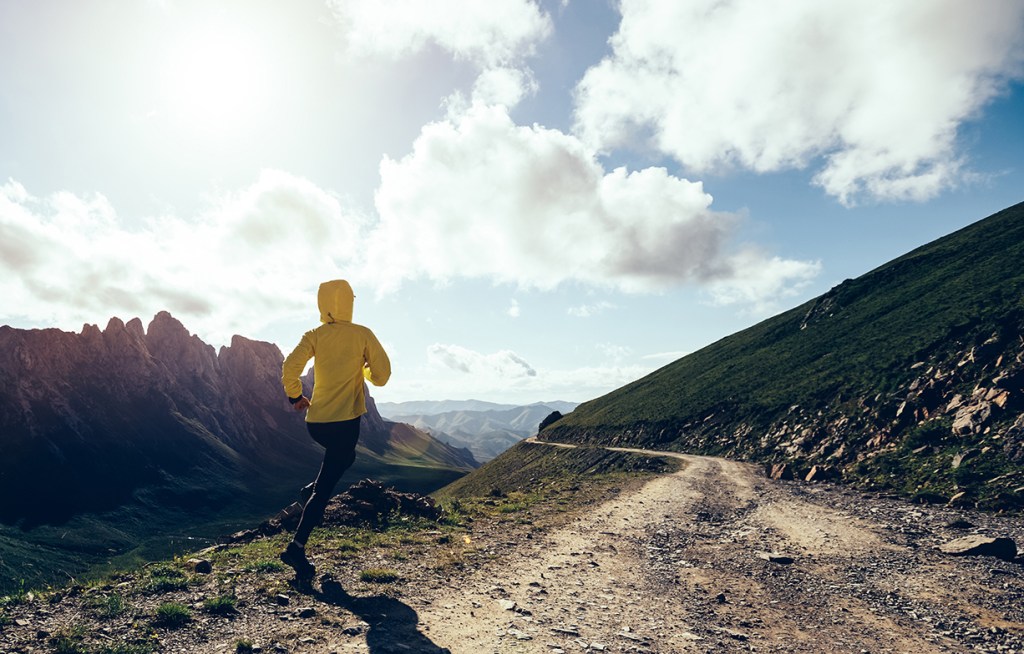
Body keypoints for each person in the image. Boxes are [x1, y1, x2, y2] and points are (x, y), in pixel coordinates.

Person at [279, 279, 391, 580]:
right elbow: (382, 376)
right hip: (346, 423)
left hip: (315, 423)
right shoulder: (362, 335)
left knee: (343, 459)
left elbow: (290, 368)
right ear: (350, 303)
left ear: (323, 303)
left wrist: (295, 396)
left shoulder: (313, 335)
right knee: (325, 488)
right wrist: (364, 368)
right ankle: (297, 548)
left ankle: (308, 494)